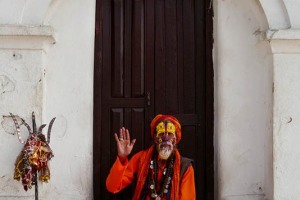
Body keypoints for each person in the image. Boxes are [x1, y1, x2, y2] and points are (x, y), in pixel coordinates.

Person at [106, 114, 196, 200]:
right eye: (161, 134)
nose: (166, 139)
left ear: (176, 139)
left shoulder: (185, 167)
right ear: (155, 138)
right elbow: (112, 187)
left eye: (170, 134)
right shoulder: (140, 158)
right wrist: (122, 158)